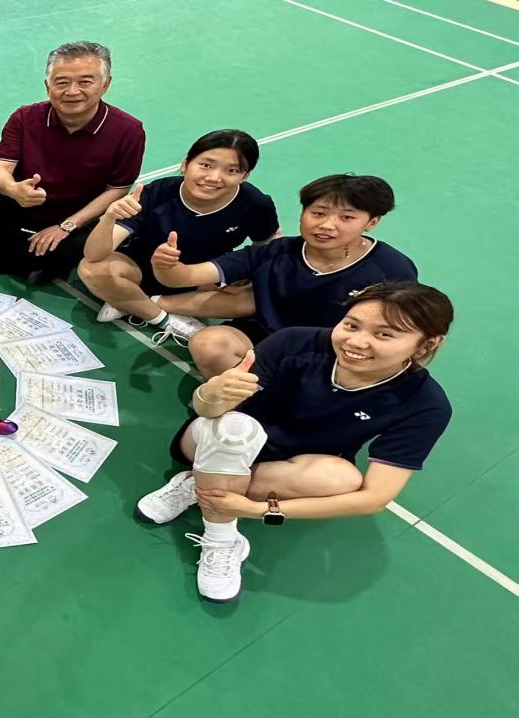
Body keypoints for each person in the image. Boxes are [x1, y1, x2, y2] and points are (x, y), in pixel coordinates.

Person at [134, 282, 453, 603]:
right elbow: (208, 412)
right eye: (351, 325)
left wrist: (260, 510)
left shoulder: (426, 405)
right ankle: (222, 537)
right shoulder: (293, 343)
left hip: (286, 471)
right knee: (235, 428)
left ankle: (199, 484)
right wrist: (210, 393)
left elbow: (374, 497)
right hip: (212, 441)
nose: (356, 342)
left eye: (384, 335)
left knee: (343, 478)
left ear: (426, 345)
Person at [152, 174, 417, 377]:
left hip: (332, 354)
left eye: (346, 218)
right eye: (318, 213)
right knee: (208, 344)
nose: (327, 225)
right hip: (264, 339)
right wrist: (168, 267)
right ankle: (245, 404)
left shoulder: (391, 270)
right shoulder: (278, 251)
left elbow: (400, 333)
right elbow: (187, 276)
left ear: (371, 223)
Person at [0, 41, 145, 285]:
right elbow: (1, 169)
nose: (72, 91)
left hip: (80, 217)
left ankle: (7, 253)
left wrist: (66, 226)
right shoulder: (25, 117)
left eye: (85, 82)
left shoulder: (129, 130)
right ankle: (24, 258)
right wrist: (12, 189)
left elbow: (117, 189)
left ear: (105, 84)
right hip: (21, 206)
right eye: (61, 82)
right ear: (47, 85)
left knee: (80, 248)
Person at [77, 129, 279, 342]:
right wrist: (109, 217)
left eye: (232, 170)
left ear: (245, 176)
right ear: (185, 164)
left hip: (200, 277)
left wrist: (249, 276)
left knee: (255, 297)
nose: (213, 178)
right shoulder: (156, 192)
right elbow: (93, 255)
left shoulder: (255, 203)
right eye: (206, 165)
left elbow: (267, 245)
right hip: (138, 271)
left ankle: (133, 302)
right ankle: (164, 320)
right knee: (91, 269)